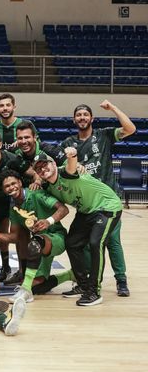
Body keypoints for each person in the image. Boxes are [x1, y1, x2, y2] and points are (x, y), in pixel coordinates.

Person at [60, 101, 135, 297]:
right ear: (74, 119)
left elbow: (130, 128)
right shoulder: (68, 144)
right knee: (82, 243)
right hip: (86, 203)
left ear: (92, 118)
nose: (82, 118)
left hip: (108, 201)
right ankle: (85, 281)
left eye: (86, 114)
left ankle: (121, 280)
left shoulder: (104, 135)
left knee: (112, 241)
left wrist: (113, 108)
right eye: (79, 115)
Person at [33, 149, 122, 306]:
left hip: (106, 206)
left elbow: (71, 166)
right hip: (86, 211)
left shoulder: (66, 173)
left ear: (53, 163)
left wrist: (72, 155)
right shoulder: (48, 186)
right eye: (38, 168)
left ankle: (94, 291)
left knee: (96, 243)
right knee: (72, 242)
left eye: (44, 165)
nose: (42, 169)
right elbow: (61, 208)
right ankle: (82, 284)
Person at [0, 170, 72, 303]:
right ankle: (69, 275)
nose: (11, 187)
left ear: (20, 183)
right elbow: (14, 237)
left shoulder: (37, 194)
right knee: (39, 286)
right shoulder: (14, 208)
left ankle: (25, 290)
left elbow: (63, 209)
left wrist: (48, 221)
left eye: (13, 183)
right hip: (38, 244)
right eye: (7, 186)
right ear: (4, 190)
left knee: (34, 243)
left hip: (56, 237)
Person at [0, 130, 41, 283]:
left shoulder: (12, 159)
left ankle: (22, 272)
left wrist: (37, 182)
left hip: (14, 201)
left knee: (21, 236)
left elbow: (34, 174)